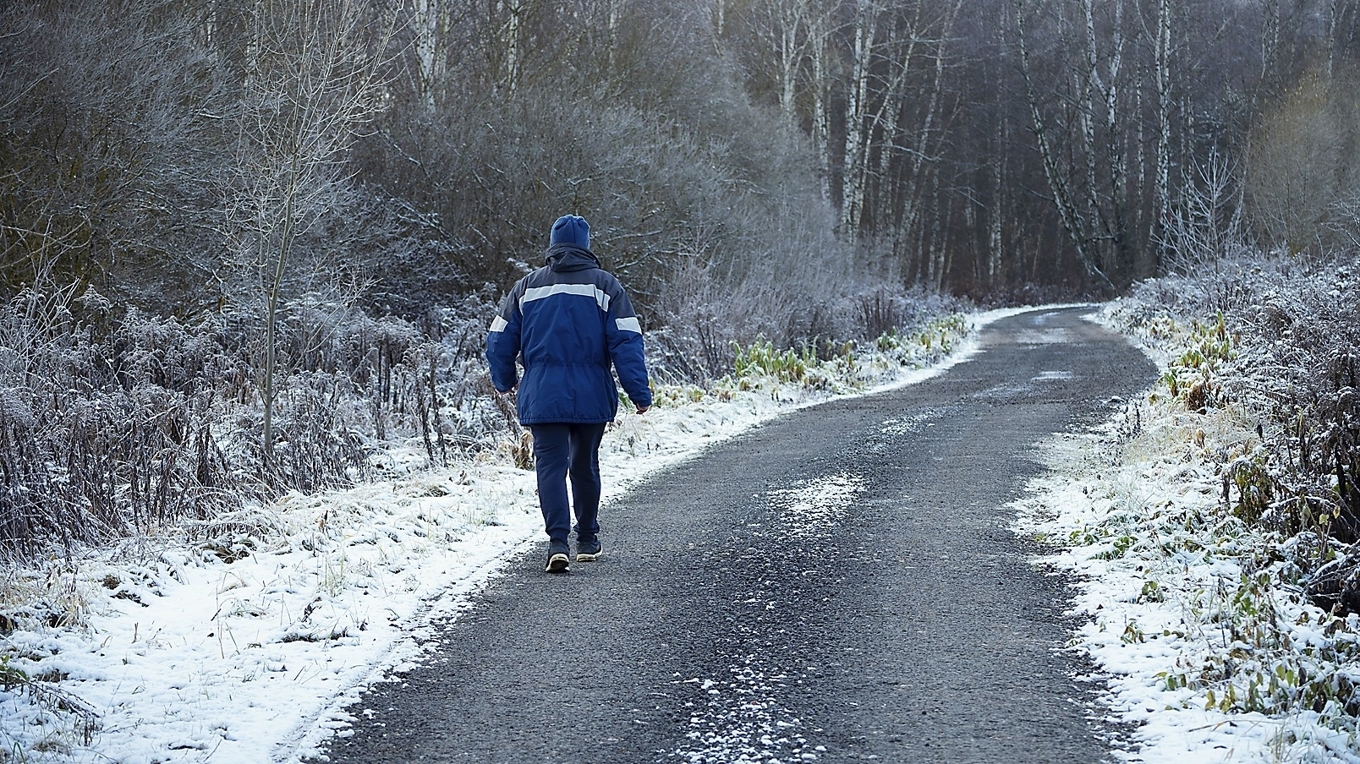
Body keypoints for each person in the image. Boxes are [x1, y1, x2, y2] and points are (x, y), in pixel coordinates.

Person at [486, 214, 652, 573]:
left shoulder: (526, 287)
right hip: (591, 394)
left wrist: (505, 380)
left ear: (553, 245)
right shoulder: (607, 287)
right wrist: (639, 392)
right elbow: (626, 342)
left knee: (550, 464)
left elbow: (498, 340)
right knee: (584, 463)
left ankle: (557, 542)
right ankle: (588, 538)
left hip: (542, 394)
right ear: (586, 245)